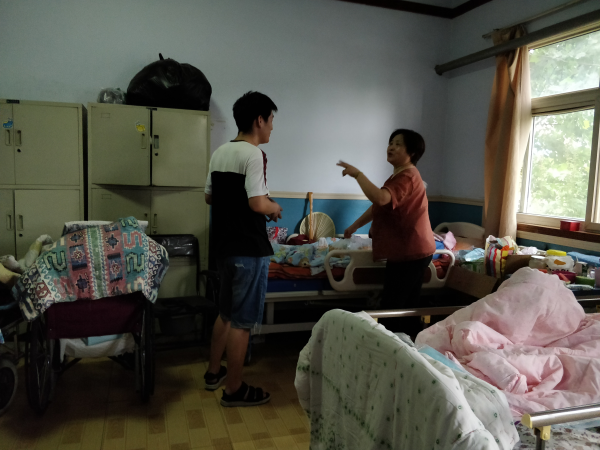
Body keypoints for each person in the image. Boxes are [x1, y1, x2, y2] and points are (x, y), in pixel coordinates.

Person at [203, 91, 283, 407]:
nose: (272, 127)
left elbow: (210, 197)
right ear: (259, 120)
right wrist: (273, 207)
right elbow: (257, 203)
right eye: (271, 120)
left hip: (224, 247)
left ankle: (213, 373)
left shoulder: (220, 152)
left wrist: (254, 203)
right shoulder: (253, 154)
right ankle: (234, 389)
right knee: (242, 322)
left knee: (225, 313)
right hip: (248, 249)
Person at [337, 129, 435, 333]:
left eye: (398, 144)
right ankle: (407, 343)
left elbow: (380, 198)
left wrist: (358, 175)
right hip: (406, 251)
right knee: (404, 306)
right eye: (391, 143)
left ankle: (393, 344)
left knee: (394, 306)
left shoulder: (407, 176)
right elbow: (380, 205)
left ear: (411, 152)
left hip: (412, 251)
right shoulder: (398, 176)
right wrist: (355, 226)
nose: (391, 147)